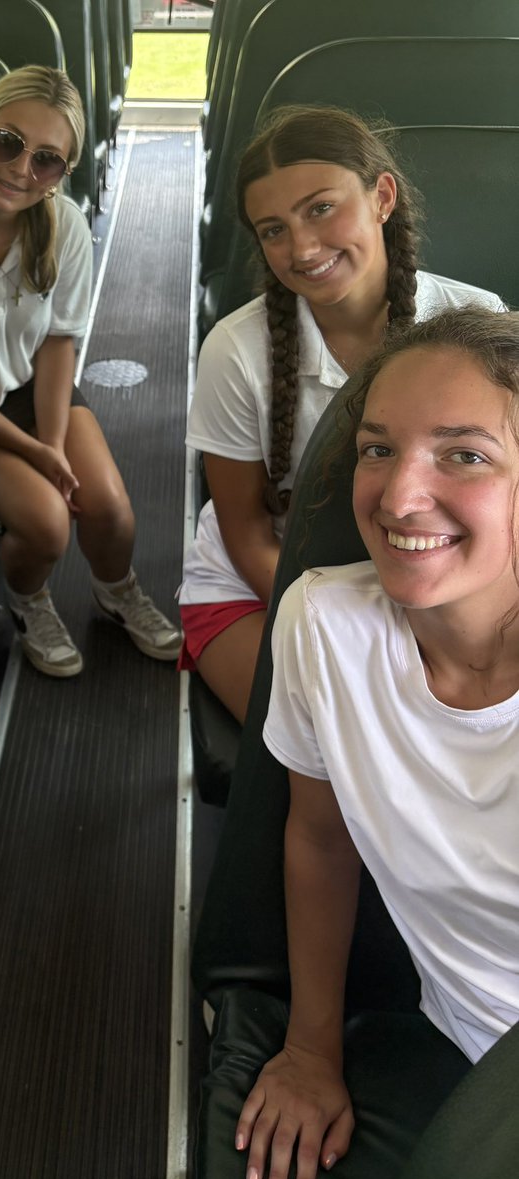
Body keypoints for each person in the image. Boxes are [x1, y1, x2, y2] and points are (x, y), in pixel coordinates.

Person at [238, 307, 519, 1179]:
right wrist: (311, 1048)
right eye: (376, 449)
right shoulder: (325, 627)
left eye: (464, 455)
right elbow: (320, 840)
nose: (399, 498)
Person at [179, 105, 506, 722]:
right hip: (266, 588)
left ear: (382, 196)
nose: (301, 247)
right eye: (273, 229)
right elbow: (247, 534)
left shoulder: (476, 317)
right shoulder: (236, 348)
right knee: (344, 740)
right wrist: (368, 632)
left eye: (321, 209)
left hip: (436, 580)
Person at [0, 65, 182, 676]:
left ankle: (116, 591)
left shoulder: (63, 227)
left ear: (62, 173)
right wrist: (35, 454)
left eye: (47, 160)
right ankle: (28, 600)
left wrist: (52, 446)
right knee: (46, 524)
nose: (21, 168)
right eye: (7, 142)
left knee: (109, 508)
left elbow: (58, 343)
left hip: (29, 388)